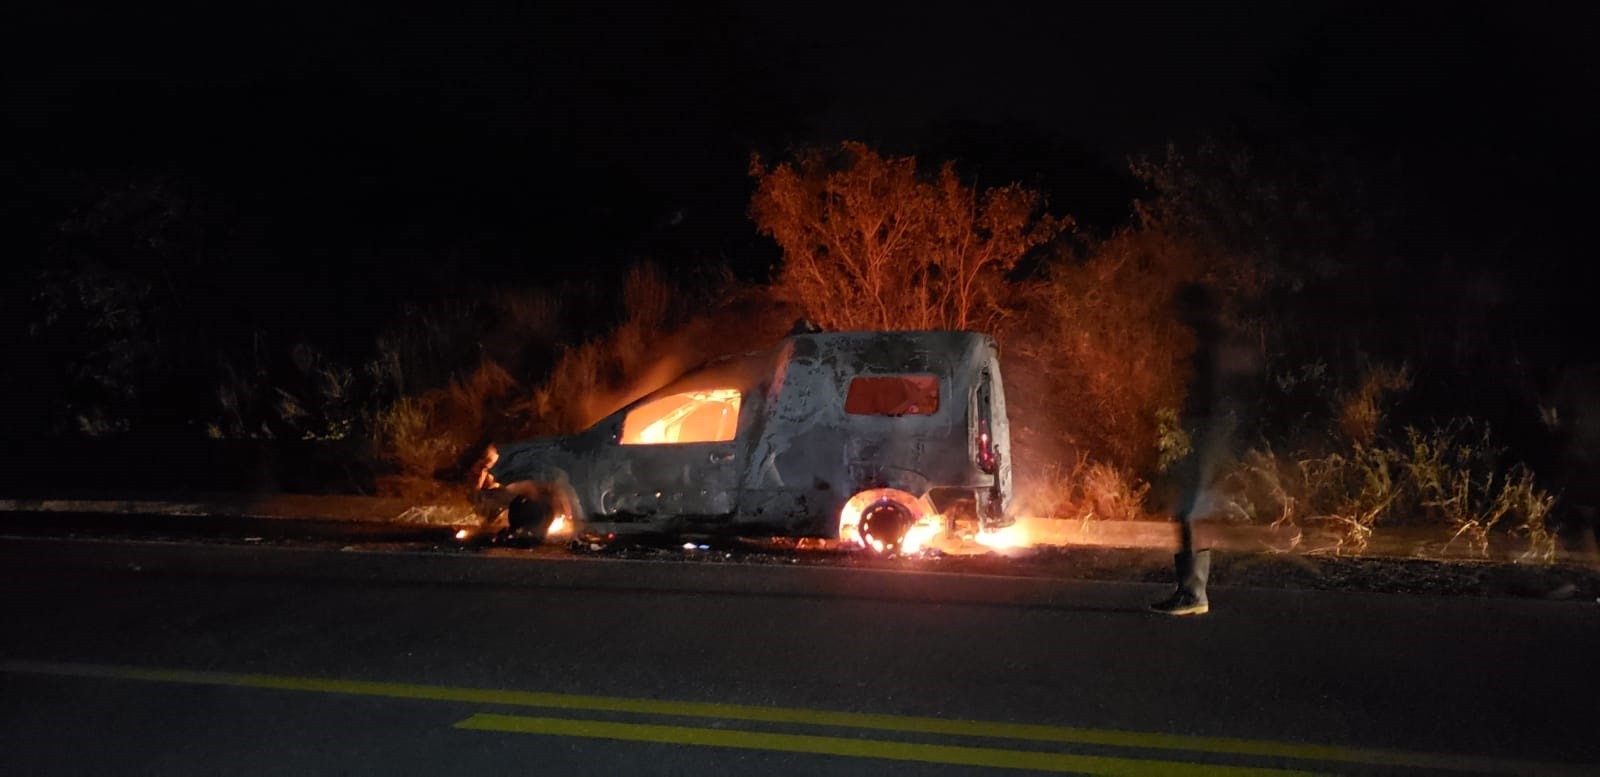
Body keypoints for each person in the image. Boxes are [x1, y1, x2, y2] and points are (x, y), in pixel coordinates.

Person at [1151, 283, 1224, 616]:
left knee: (1190, 510)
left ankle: (1194, 594)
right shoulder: (1208, 343)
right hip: (1207, 432)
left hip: (1211, 432)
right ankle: (1190, 590)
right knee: (1189, 509)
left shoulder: (1212, 344)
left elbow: (1217, 394)